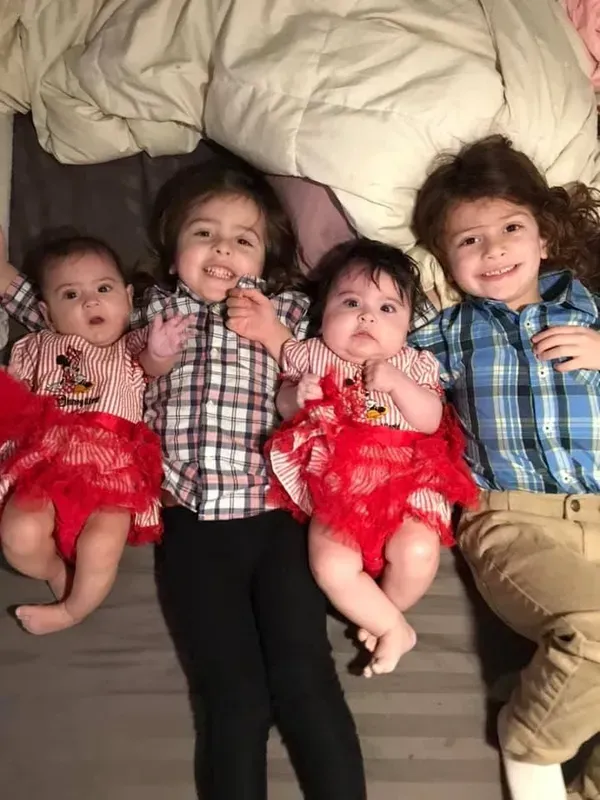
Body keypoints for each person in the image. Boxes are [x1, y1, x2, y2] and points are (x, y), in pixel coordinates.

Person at [0, 159, 366, 800]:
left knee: (304, 679)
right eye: (204, 233)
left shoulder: (288, 309)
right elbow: (49, 301)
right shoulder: (137, 311)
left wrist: (277, 333)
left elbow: (344, 353)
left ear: (266, 260)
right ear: (171, 256)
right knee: (232, 695)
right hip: (190, 523)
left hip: (279, 515)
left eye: (243, 239)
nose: (222, 246)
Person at [410, 134, 600, 800]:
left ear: (544, 238)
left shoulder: (592, 312)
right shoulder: (448, 330)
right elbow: (372, 357)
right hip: (514, 520)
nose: (492, 249)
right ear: (444, 261)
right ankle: (529, 743)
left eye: (510, 229)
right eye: (467, 241)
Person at [265, 239, 477, 677]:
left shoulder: (414, 364)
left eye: (387, 309)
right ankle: (394, 627)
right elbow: (285, 404)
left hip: (405, 484)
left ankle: (384, 614)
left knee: (419, 551)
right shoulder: (311, 355)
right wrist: (295, 397)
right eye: (350, 302)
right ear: (323, 315)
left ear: (406, 327)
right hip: (339, 490)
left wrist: (399, 384)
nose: (366, 316)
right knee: (329, 562)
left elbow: (430, 419)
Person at [0, 233, 190, 635]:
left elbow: (154, 364)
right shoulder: (38, 346)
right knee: (17, 535)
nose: (90, 301)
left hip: (112, 467)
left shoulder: (129, 343)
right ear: (47, 314)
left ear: (126, 297)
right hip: (47, 458)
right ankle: (54, 570)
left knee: (102, 544)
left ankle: (74, 609)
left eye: (103, 289)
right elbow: (15, 403)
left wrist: (161, 349)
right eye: (70, 295)